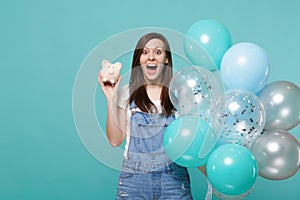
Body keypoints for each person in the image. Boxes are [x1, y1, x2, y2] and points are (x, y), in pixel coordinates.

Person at [99, 32, 193, 199]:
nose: (151, 57)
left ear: (166, 59)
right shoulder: (125, 93)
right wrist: (111, 98)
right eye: (145, 52)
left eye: (158, 52)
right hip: (134, 181)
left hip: (173, 180)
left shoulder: (180, 95)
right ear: (139, 60)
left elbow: (192, 141)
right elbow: (115, 140)